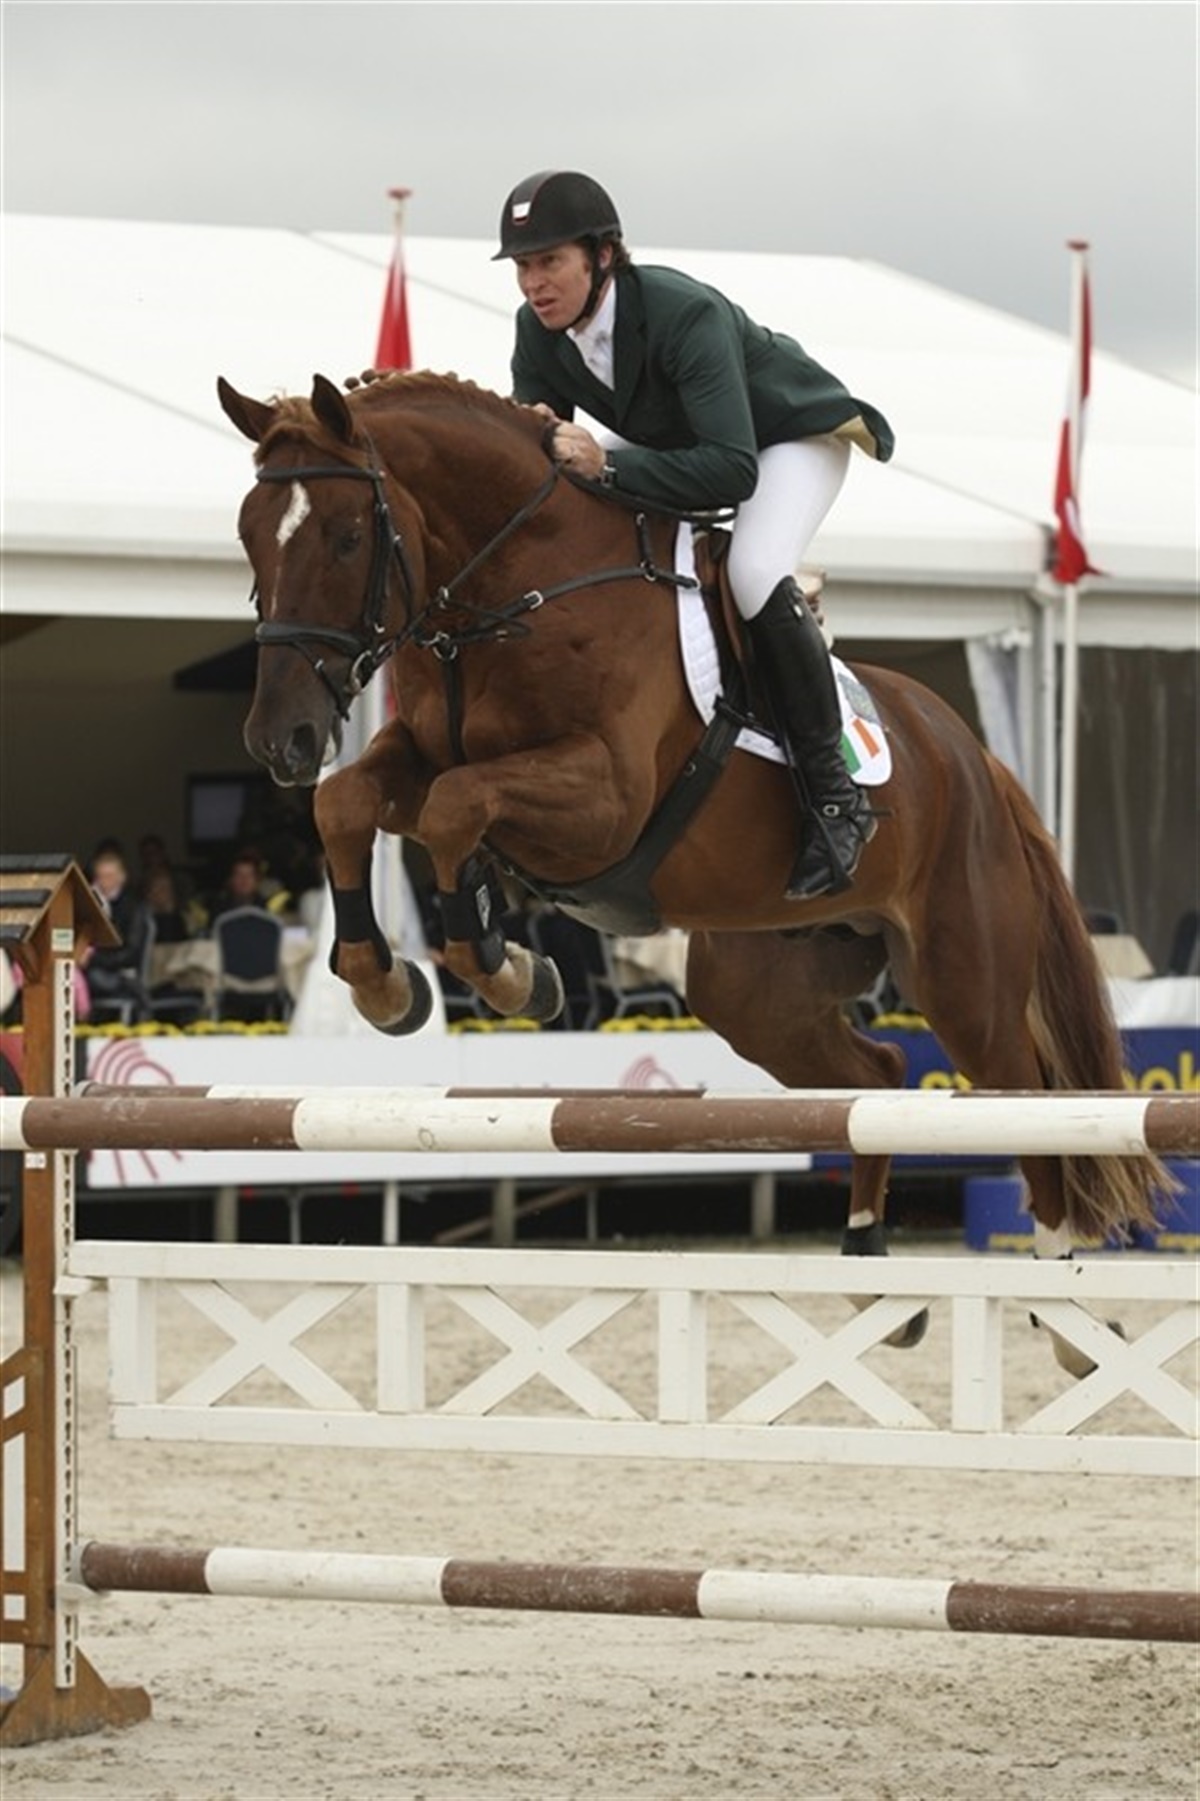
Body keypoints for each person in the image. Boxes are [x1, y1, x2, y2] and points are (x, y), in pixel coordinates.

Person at [494, 169, 895, 899]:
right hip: (689, 444)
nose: (533, 283)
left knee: (752, 571)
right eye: (523, 266)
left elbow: (732, 471)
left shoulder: (683, 313)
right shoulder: (537, 331)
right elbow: (541, 456)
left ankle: (836, 797)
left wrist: (608, 468)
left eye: (549, 261)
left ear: (603, 256)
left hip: (786, 439)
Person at [83, 845, 151, 1021]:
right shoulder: (90, 905)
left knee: (93, 978)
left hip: (119, 972)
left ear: (122, 877)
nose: (104, 882)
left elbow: (132, 952)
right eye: (100, 877)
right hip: (90, 967)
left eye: (110, 876)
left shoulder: (134, 906)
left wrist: (93, 959)